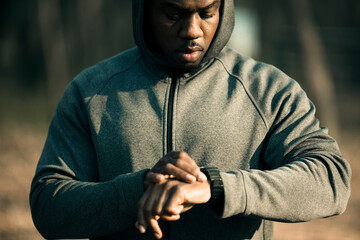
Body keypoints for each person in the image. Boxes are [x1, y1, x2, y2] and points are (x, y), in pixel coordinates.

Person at [30, 0, 351, 239]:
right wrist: (138, 190)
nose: (192, 31)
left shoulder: (268, 90)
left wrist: (219, 187)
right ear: (144, 9)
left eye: (207, 13)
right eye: (173, 15)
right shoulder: (90, 92)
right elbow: (48, 204)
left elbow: (330, 179)